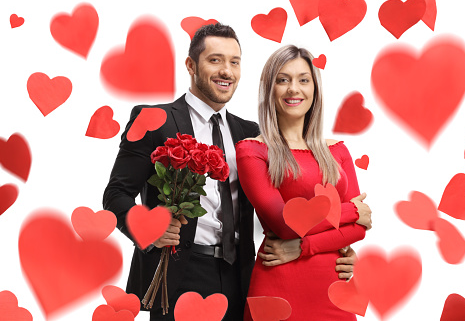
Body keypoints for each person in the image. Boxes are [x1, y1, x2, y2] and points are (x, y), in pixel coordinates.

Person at [103, 24, 369, 321]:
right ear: (191, 65)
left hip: (240, 275)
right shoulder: (155, 119)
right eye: (215, 60)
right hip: (179, 274)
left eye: (234, 61)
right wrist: (148, 227)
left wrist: (337, 251)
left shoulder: (251, 134)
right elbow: (115, 195)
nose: (226, 71)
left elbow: (291, 199)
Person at [236, 45, 371, 320]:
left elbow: (357, 231)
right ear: (269, 90)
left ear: (314, 89)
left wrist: (302, 248)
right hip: (279, 285)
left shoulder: (337, 151)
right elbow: (285, 224)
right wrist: (353, 211)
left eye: (303, 80)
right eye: (282, 80)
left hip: (335, 287)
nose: (293, 89)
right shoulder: (252, 151)